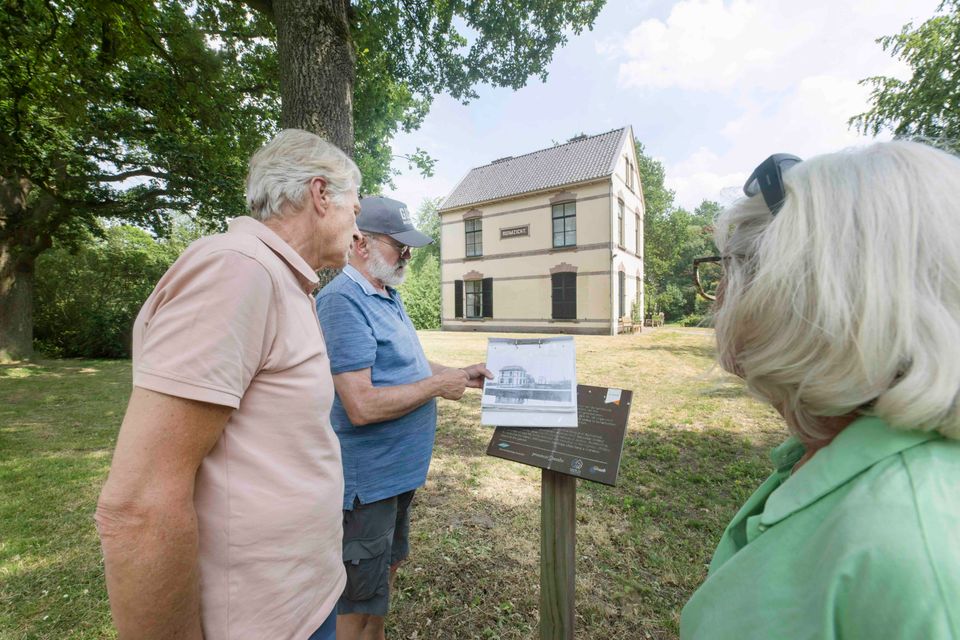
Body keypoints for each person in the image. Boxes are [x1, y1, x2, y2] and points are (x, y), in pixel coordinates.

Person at [681, 141, 960, 639]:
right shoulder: (824, 451)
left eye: (734, 269)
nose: (719, 296)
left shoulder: (914, 555)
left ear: (804, 295)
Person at [95, 129, 362, 640]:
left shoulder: (283, 279)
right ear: (320, 194)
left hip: (302, 602)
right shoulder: (238, 270)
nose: (357, 227)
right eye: (354, 206)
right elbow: (139, 504)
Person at [315, 195, 492, 640]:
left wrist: (456, 373)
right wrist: (436, 387)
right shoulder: (342, 301)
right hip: (368, 484)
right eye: (400, 245)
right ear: (361, 243)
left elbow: (404, 364)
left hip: (396, 477)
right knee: (357, 597)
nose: (408, 255)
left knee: (383, 577)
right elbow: (360, 405)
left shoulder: (385, 294)